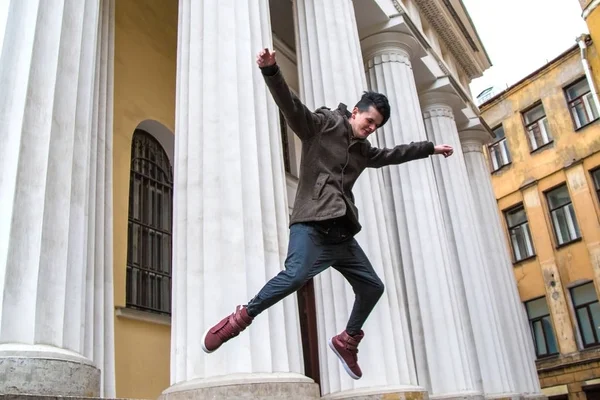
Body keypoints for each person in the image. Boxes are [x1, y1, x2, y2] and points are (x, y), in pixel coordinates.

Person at [201, 48, 454, 380]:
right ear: (356, 112)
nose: (371, 128)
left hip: (342, 235)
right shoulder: (322, 126)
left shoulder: (363, 151)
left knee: (373, 287)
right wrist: (272, 70)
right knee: (293, 276)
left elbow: (392, 154)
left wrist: (429, 148)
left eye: (376, 126)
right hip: (311, 224)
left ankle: (347, 340)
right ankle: (239, 319)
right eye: (369, 121)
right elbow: (292, 108)